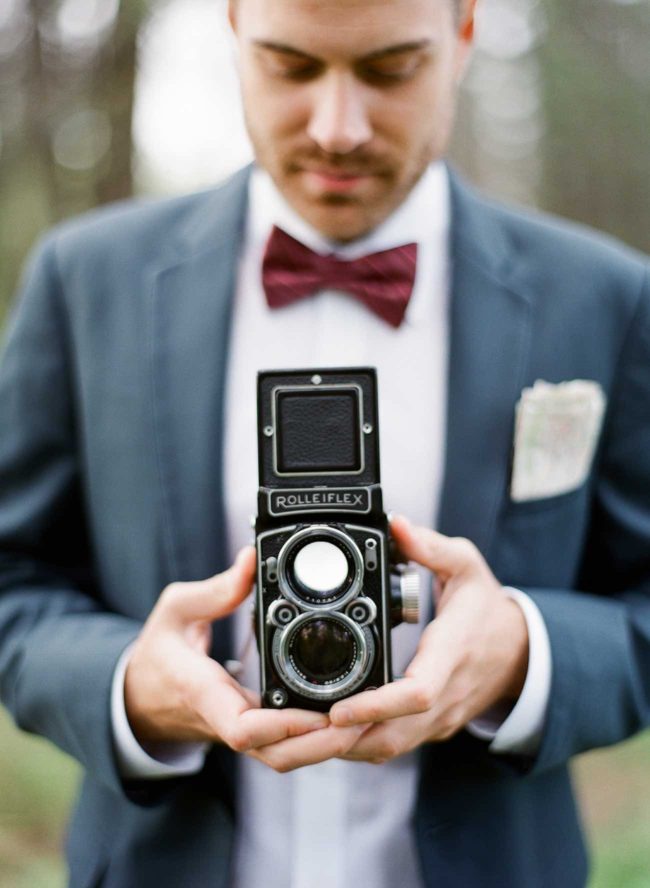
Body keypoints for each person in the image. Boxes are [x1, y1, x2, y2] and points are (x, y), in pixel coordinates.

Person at [0, 0, 649, 885]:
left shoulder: (605, 297)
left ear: (461, 37)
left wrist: (525, 654)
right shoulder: (85, 281)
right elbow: (13, 579)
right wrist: (129, 689)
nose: (337, 128)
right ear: (232, 30)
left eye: (389, 70)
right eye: (291, 66)